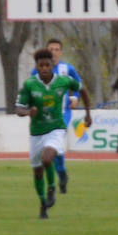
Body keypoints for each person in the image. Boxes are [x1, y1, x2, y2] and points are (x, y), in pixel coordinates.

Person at [16, 49, 92, 219]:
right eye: (40, 65)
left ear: (52, 65)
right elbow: (18, 109)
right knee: (37, 171)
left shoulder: (63, 81)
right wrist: (29, 112)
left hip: (56, 128)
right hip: (36, 133)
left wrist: (88, 113)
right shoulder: (29, 85)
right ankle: (43, 204)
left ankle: (51, 188)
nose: (44, 68)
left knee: (47, 158)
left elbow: (83, 90)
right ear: (37, 66)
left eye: (47, 65)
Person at [31, 38, 81, 194]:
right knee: (52, 147)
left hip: (63, 113)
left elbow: (78, 85)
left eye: (56, 49)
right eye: (51, 49)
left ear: (61, 52)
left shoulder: (68, 69)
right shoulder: (37, 70)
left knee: (54, 142)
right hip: (45, 116)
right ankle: (62, 173)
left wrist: (74, 98)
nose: (53, 52)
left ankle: (61, 173)